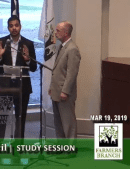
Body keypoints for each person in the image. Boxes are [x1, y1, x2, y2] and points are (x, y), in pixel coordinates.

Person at [0, 16, 37, 141]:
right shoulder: (1, 42)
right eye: (11, 26)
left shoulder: (28, 44)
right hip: (5, 87)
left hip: (22, 87)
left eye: (16, 25)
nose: (14, 28)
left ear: (20, 27)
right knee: (1, 117)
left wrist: (27, 60)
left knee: (20, 117)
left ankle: (18, 145)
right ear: (8, 28)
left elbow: (33, 67)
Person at [49, 21, 81, 158]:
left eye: (57, 30)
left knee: (68, 123)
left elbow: (71, 73)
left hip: (64, 93)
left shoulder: (72, 49)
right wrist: (52, 87)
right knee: (59, 122)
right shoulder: (62, 47)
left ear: (66, 32)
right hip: (56, 91)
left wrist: (65, 91)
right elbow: (57, 71)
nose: (55, 33)